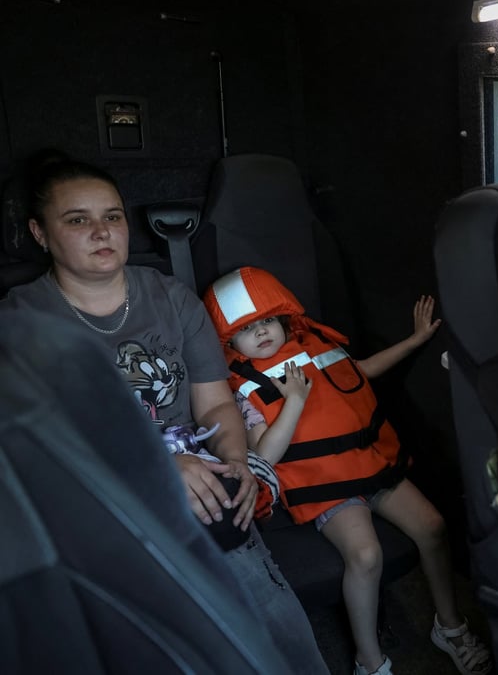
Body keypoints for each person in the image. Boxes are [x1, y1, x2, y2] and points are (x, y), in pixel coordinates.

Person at [2, 157, 329, 674]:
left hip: (197, 479)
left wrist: (237, 460)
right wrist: (154, 469)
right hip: (96, 495)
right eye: (77, 220)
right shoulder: (21, 319)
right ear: (40, 233)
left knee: (273, 626)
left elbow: (214, 400)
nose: (101, 231)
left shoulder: (170, 298)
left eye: (111, 216)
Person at [202, 266, 493, 675]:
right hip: (322, 483)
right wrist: (296, 401)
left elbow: (362, 369)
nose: (264, 332)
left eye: (269, 320)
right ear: (229, 340)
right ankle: (369, 662)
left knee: (433, 526)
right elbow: (264, 453)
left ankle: (450, 626)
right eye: (249, 328)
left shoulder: (313, 343)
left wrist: (416, 340)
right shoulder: (241, 386)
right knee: (367, 554)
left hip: (368, 463)